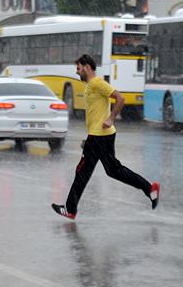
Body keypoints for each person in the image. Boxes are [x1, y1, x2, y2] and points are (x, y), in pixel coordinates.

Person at [51, 54, 160, 220]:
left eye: (79, 68)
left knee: (82, 171)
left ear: (87, 67)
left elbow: (120, 98)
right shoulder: (90, 85)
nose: (77, 72)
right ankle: (149, 188)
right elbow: (95, 114)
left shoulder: (97, 83)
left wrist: (111, 118)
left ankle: (70, 209)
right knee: (113, 170)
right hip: (99, 136)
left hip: (100, 136)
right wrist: (88, 138)